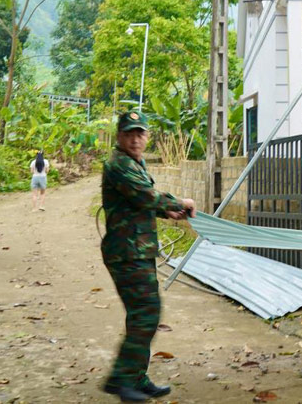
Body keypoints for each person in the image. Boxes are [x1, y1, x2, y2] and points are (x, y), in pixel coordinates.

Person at [101, 111, 196, 402]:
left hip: (137, 251)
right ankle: (120, 379)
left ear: (146, 137)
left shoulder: (134, 163)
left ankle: (136, 378)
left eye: (140, 133)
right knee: (147, 314)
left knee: (141, 315)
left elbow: (140, 201)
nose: (135, 138)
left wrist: (165, 211)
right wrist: (179, 202)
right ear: (119, 136)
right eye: (129, 133)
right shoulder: (119, 164)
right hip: (126, 252)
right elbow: (145, 195)